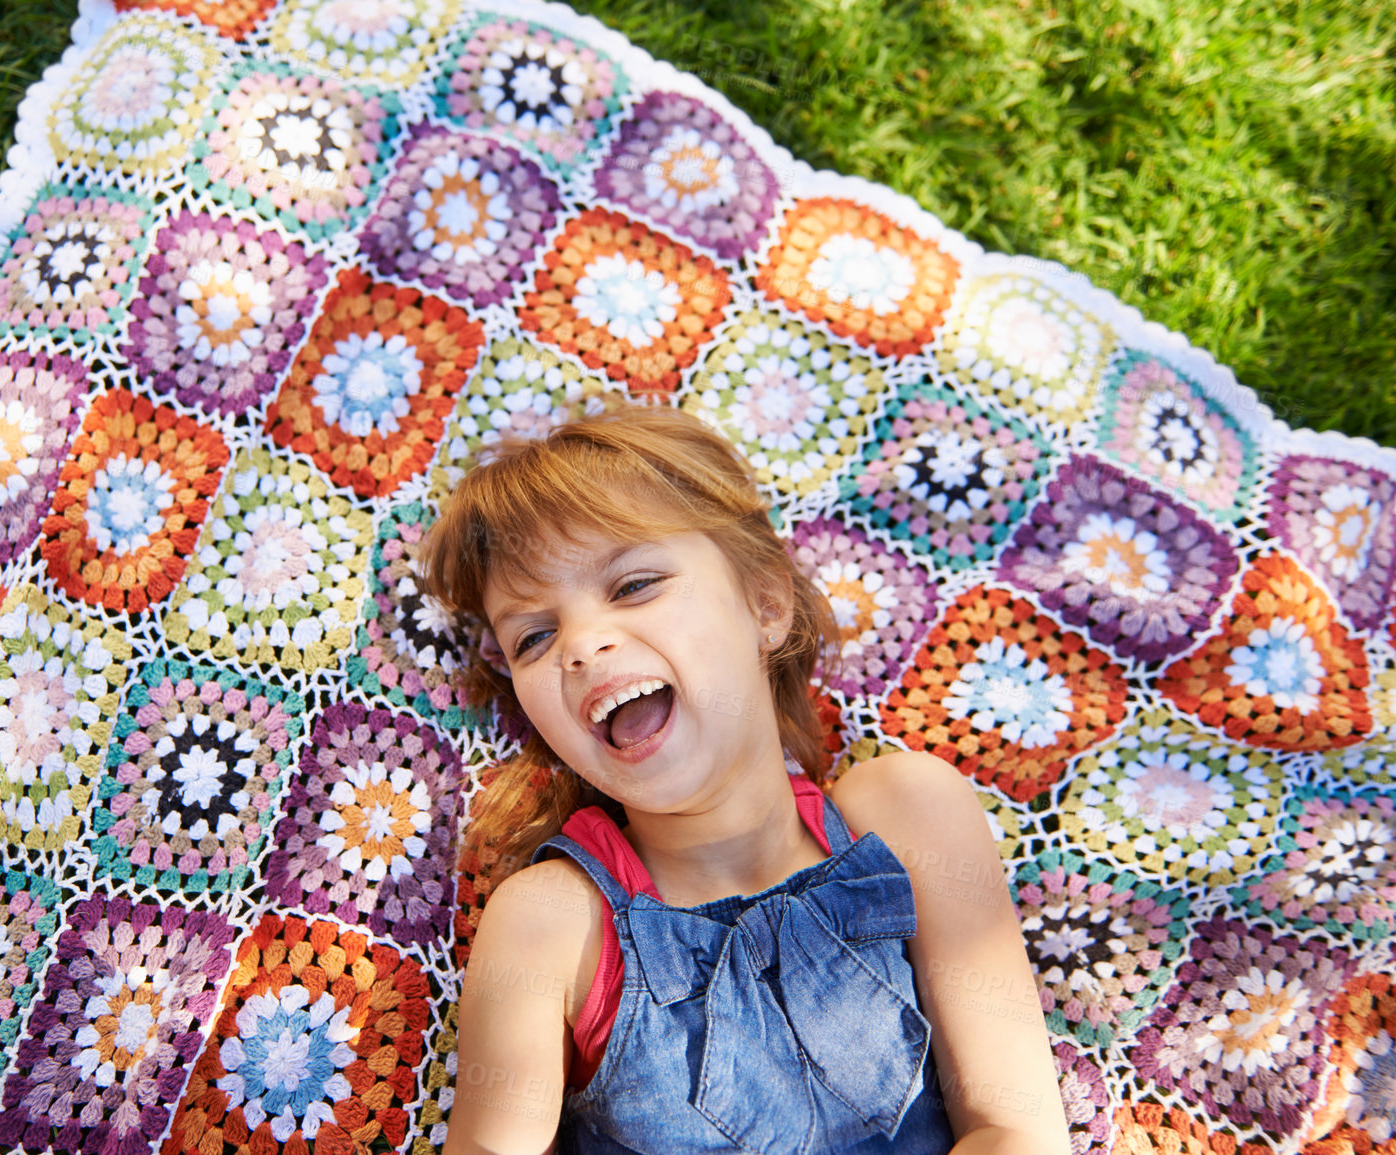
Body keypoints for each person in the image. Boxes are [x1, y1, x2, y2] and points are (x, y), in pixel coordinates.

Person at [420, 404, 1068, 1155]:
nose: (582, 644)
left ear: (764, 604)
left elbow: (1014, 1126)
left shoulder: (905, 816)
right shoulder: (552, 924)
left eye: (631, 585)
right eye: (534, 635)